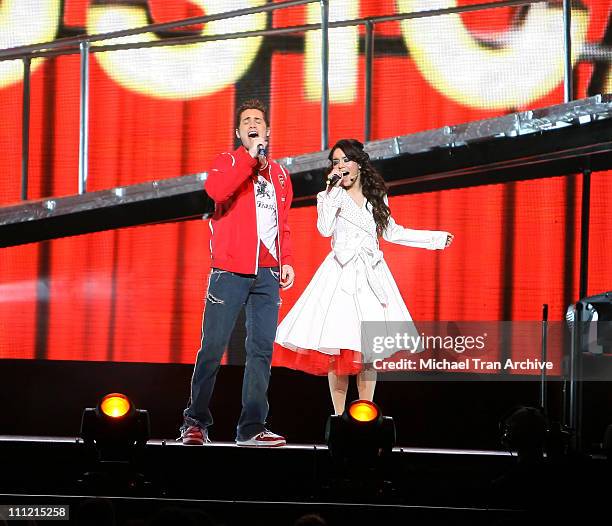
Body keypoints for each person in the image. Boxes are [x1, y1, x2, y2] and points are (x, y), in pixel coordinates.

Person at [275, 138, 453, 415]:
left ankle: (365, 416)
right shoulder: (329, 195)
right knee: (337, 350)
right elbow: (324, 229)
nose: (341, 166)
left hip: (370, 276)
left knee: (367, 353)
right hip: (340, 275)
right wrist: (330, 190)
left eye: (346, 160)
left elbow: (393, 232)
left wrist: (435, 238)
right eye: (336, 162)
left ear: (358, 164)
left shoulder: (376, 196)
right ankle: (337, 418)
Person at [180, 99, 295, 447]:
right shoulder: (226, 162)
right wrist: (249, 158)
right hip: (229, 271)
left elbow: (283, 224)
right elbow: (216, 191)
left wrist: (286, 259)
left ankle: (251, 428)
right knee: (212, 347)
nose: (252, 124)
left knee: (261, 351)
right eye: (246, 121)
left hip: (268, 272)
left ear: (268, 130)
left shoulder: (280, 174)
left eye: (258, 120)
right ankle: (195, 422)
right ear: (239, 132)